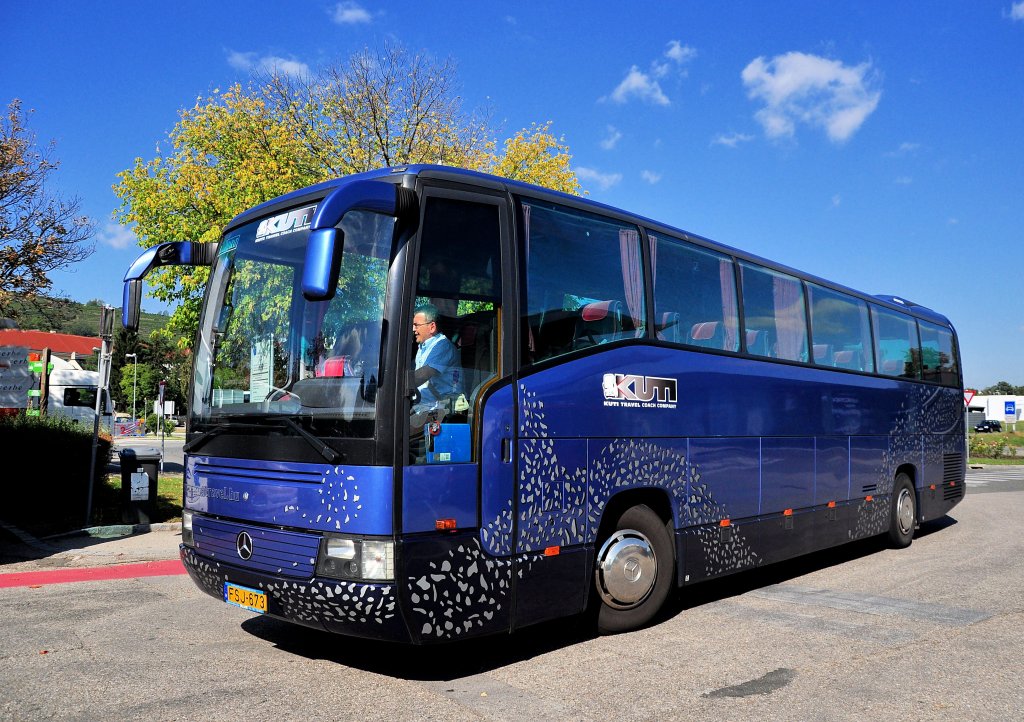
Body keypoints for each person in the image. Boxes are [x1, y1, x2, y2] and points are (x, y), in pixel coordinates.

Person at [411, 304, 461, 417]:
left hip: (440, 413)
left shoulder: (442, 345)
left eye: (416, 325)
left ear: (432, 327)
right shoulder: (423, 347)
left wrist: (395, 385)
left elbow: (423, 375)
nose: (413, 329)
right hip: (424, 409)